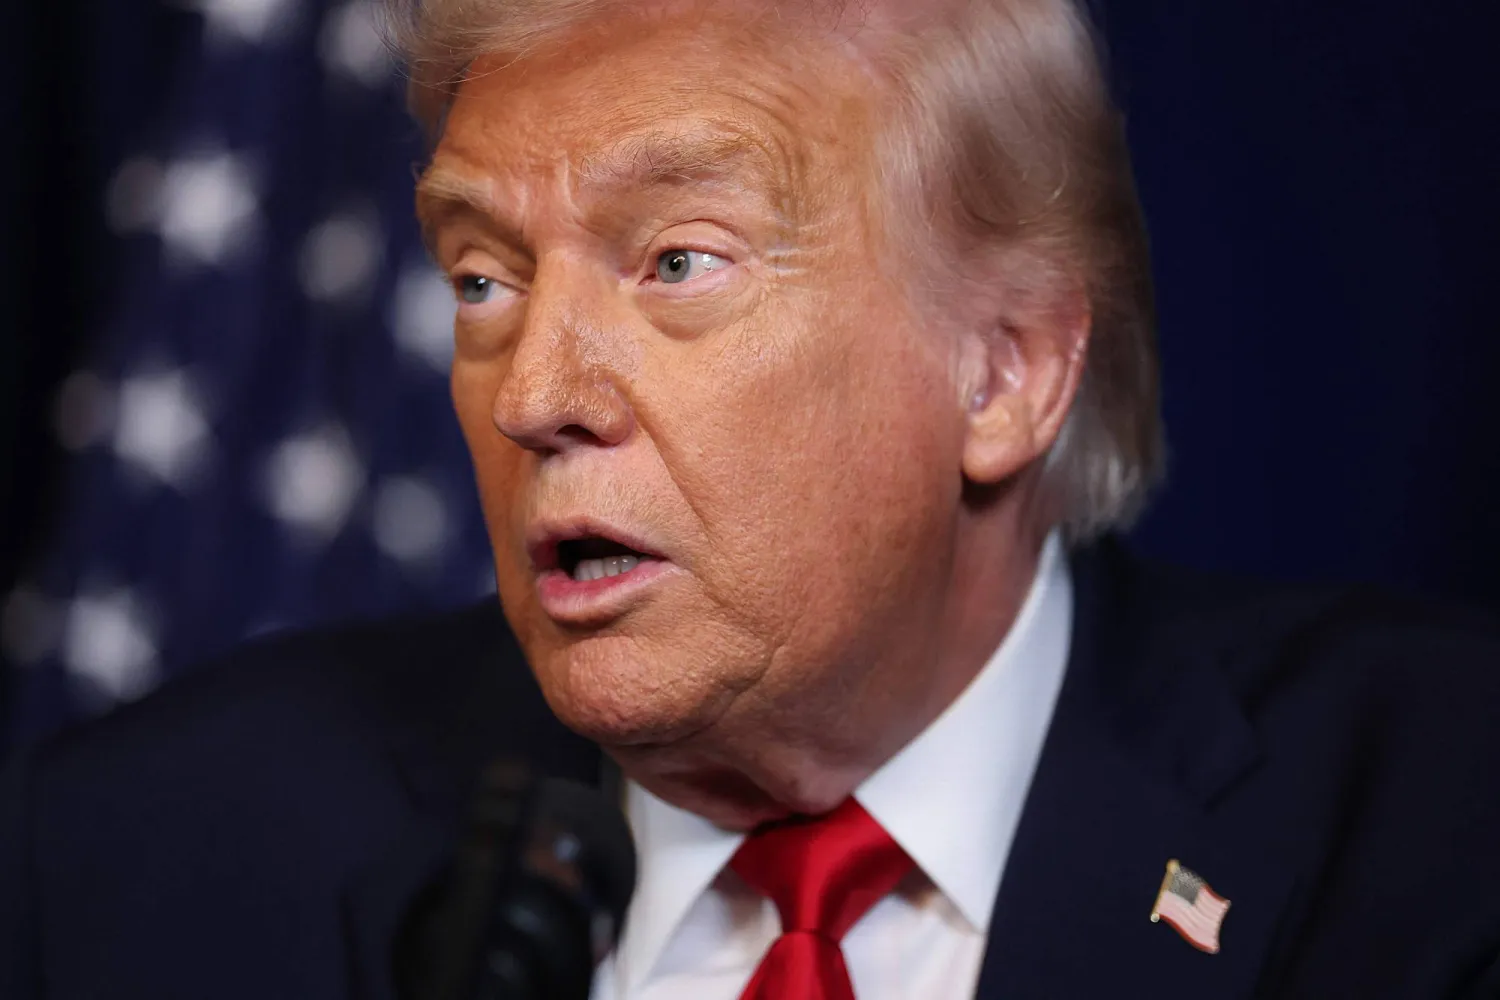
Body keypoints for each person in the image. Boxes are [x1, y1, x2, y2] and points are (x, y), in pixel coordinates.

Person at [4, 0, 1499, 996]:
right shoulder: (133, 862)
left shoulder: (1440, 818)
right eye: (482, 280)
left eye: (677, 263)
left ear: (1006, 373)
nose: (532, 396)